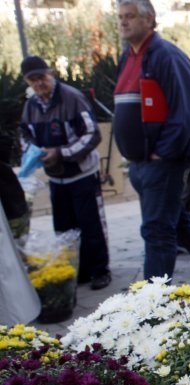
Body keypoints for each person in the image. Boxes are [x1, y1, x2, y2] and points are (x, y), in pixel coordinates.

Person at [113, 0, 190, 281]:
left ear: (149, 19)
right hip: (141, 162)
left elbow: (185, 111)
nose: (123, 22)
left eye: (130, 16)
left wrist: (164, 152)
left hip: (162, 162)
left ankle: (153, 306)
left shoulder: (165, 55)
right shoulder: (128, 57)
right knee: (178, 224)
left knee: (157, 230)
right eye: (120, 16)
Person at [19, 55, 112, 290]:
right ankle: (78, 269)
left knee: (90, 224)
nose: (39, 84)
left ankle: (100, 270)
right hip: (55, 176)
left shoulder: (72, 98)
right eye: (33, 80)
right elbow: (24, 135)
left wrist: (61, 152)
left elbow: (92, 134)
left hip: (81, 173)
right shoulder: (31, 106)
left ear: (50, 74)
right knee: (63, 227)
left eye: (42, 77)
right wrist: (35, 153)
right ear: (27, 82)